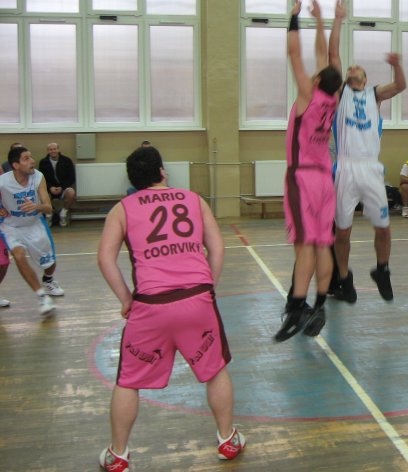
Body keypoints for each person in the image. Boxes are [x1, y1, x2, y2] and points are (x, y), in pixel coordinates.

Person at [96, 146, 243, 471]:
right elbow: (217, 247)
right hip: (197, 299)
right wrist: (209, 286)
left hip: (151, 305)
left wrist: (125, 299)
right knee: (215, 370)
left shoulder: (121, 209)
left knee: (128, 381)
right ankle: (227, 439)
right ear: (162, 172)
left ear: (132, 180)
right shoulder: (194, 199)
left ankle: (118, 455)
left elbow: (105, 259)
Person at [275, 0, 343, 342]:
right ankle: (319, 304)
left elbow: (294, 53)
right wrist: (322, 21)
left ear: (317, 81)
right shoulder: (333, 97)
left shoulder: (308, 94)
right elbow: (325, 57)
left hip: (301, 177)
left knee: (304, 245)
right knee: (322, 245)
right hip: (325, 180)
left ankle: (297, 307)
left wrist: (294, 18)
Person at [332, 4, 407, 303]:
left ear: (364, 77)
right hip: (346, 168)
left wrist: (397, 64)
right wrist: (338, 19)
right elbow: (333, 56)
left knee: (384, 228)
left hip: (371, 168)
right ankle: (343, 277)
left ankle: (382, 269)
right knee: (342, 232)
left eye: (357, 68)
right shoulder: (341, 95)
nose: (352, 68)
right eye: (349, 68)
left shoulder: (374, 94)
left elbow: (400, 85)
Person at [0, 145, 60, 315]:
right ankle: (42, 297)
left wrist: (36, 206)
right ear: (15, 165)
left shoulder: (38, 177)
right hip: (11, 226)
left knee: (50, 263)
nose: (32, 161)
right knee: (19, 256)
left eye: (31, 157)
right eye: (26, 159)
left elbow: (48, 208)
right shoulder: (3, 181)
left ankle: (48, 280)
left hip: (34, 225)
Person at [38, 142, 77, 227]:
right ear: (48, 151)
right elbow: (41, 178)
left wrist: (61, 187)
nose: (53, 151)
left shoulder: (67, 161)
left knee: (71, 193)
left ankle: (63, 214)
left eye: (54, 149)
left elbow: (72, 177)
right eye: (50, 149)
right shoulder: (43, 162)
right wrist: (50, 187)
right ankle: (49, 215)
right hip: (49, 189)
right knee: (41, 194)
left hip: (63, 188)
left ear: (58, 150)